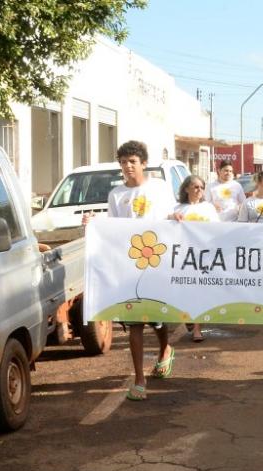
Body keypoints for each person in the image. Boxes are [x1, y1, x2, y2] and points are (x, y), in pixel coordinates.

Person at [83, 140, 177, 402]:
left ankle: (165, 349)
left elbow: (170, 216)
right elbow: (112, 228)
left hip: (157, 261)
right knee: (135, 321)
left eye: (132, 162)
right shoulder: (116, 194)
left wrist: (176, 218)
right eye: (123, 162)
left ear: (143, 163)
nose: (128, 166)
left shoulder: (159, 188)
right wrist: (93, 224)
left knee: (157, 319)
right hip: (129, 263)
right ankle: (139, 379)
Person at [170, 175, 220, 342]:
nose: (199, 190)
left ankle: (197, 329)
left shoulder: (208, 208)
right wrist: (171, 218)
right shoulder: (177, 208)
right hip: (183, 256)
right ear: (186, 189)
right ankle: (189, 319)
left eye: (202, 187)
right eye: (195, 187)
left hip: (203, 256)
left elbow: (218, 229)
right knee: (184, 291)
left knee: (199, 292)